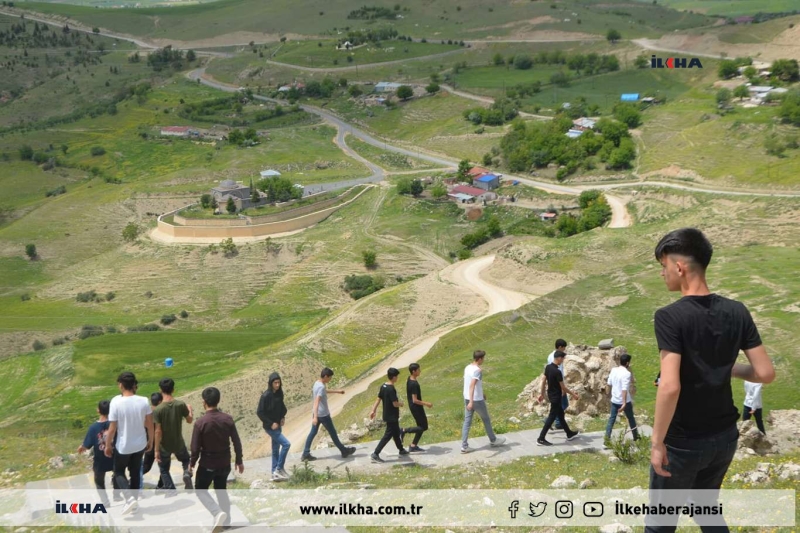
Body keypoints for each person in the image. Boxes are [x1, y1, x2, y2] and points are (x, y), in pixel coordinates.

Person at [648, 228, 774, 532]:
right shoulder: (737, 311)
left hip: (683, 443)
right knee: (705, 511)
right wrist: (723, 367)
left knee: (660, 525)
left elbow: (669, 386)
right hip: (724, 438)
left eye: (663, 267)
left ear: (679, 267)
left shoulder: (669, 316)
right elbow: (765, 373)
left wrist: (656, 443)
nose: (662, 274)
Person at [190, 387, 244, 533]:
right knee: (221, 490)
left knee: (201, 490)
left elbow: (195, 448)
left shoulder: (200, 423)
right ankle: (226, 522)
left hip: (207, 464)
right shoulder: (227, 419)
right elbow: (236, 442)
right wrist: (239, 460)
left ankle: (216, 513)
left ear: (204, 402)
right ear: (218, 400)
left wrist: (192, 464)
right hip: (225, 463)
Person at [104, 372, 153, 516]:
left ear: (121, 385)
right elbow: (150, 425)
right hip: (140, 444)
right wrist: (150, 441)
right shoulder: (143, 400)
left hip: (124, 445)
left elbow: (112, 429)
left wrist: (107, 445)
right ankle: (134, 503)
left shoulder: (115, 402)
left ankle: (129, 498)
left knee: (119, 472)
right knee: (135, 473)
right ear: (133, 385)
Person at [301, 368, 356, 461]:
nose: (330, 379)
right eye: (330, 378)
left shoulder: (317, 383)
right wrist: (315, 418)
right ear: (326, 376)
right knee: (333, 433)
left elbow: (323, 392)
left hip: (317, 413)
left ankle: (305, 453)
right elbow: (317, 402)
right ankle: (344, 451)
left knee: (313, 433)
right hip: (323, 415)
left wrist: (337, 391)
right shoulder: (321, 386)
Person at [461, 350, 506, 453]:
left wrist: (481, 393)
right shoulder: (478, 370)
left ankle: (464, 446)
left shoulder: (467, 367)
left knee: (467, 422)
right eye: (483, 358)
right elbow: (472, 385)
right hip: (476, 400)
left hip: (467, 397)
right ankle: (493, 440)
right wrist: (472, 401)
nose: (483, 360)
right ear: (480, 359)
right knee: (486, 419)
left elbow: (470, 384)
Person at [154, 378, 194, 493]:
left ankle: (171, 490)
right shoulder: (180, 404)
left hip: (164, 445)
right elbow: (189, 420)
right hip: (178, 442)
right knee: (186, 460)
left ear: (160, 390)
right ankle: (187, 473)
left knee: (164, 469)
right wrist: (190, 410)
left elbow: (158, 431)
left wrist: (156, 450)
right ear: (173, 389)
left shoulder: (158, 409)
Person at [78, 400, 120, 506]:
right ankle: (117, 494)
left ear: (98, 410)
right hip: (114, 455)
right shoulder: (114, 424)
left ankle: (105, 502)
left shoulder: (93, 428)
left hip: (100, 459)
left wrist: (82, 447)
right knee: (118, 474)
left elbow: (87, 445)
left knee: (99, 481)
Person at [537, 350, 580, 446]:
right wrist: (574, 395)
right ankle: (541, 438)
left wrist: (542, 393)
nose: (563, 361)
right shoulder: (557, 372)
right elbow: (563, 387)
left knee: (560, 415)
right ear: (559, 358)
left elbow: (544, 380)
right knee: (551, 418)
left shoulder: (548, 368)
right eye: (563, 359)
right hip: (556, 397)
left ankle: (569, 433)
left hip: (551, 395)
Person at [369, 368, 408, 463]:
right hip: (392, 416)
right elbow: (395, 403)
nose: (397, 378)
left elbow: (378, 399)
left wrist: (373, 410)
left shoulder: (384, 386)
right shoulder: (391, 389)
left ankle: (401, 449)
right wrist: (401, 404)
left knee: (395, 432)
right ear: (394, 377)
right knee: (388, 435)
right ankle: (375, 454)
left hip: (387, 414)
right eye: (397, 376)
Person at [257, 373, 291, 481]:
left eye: (278, 382)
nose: (277, 385)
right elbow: (260, 412)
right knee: (286, 444)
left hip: (278, 425)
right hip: (270, 427)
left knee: (276, 449)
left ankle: (274, 473)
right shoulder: (266, 396)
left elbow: (282, 407)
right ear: (271, 383)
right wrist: (271, 423)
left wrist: (282, 418)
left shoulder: (279, 394)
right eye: (275, 383)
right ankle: (279, 469)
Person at [604, 354, 640, 442]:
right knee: (631, 418)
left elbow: (609, 384)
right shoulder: (627, 373)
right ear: (627, 363)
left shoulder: (614, 370)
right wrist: (624, 403)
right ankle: (636, 437)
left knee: (611, 420)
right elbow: (624, 389)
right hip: (625, 401)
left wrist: (608, 395)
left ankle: (606, 440)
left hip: (615, 400)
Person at [401, 363, 433, 452]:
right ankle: (404, 430)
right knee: (424, 427)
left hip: (414, 407)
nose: (420, 371)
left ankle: (413, 445)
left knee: (421, 426)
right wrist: (426, 403)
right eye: (418, 370)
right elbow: (415, 400)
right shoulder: (414, 384)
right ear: (413, 371)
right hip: (416, 407)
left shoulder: (409, 379)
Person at [544, 339, 569, 430]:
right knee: (563, 404)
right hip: (557, 384)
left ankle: (555, 422)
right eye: (563, 348)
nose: (564, 350)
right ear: (560, 347)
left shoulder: (552, 355)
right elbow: (557, 372)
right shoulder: (556, 358)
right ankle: (553, 422)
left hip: (555, 382)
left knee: (559, 406)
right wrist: (562, 387)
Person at [141, 392, 164, 491]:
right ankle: (161, 485)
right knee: (164, 466)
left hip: (149, 442)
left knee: (146, 466)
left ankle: (132, 478)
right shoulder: (160, 412)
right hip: (159, 444)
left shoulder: (147, 413)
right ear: (160, 401)